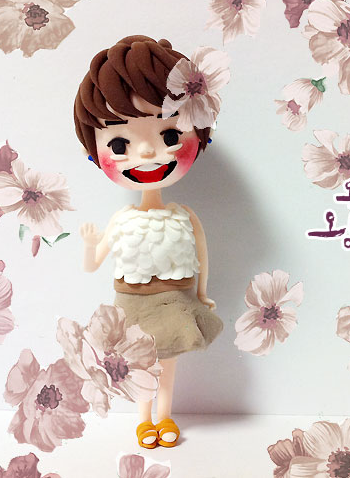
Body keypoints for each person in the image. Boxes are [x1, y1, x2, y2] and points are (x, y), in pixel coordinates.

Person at [74, 35, 224, 449]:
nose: (145, 153)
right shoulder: (122, 220)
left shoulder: (184, 216)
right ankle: (143, 419)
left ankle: (165, 416)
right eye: (119, 143)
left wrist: (203, 294)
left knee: (169, 361)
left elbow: (201, 256)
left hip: (176, 299)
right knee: (143, 362)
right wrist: (89, 245)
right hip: (133, 302)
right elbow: (93, 264)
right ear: (93, 150)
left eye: (169, 136)